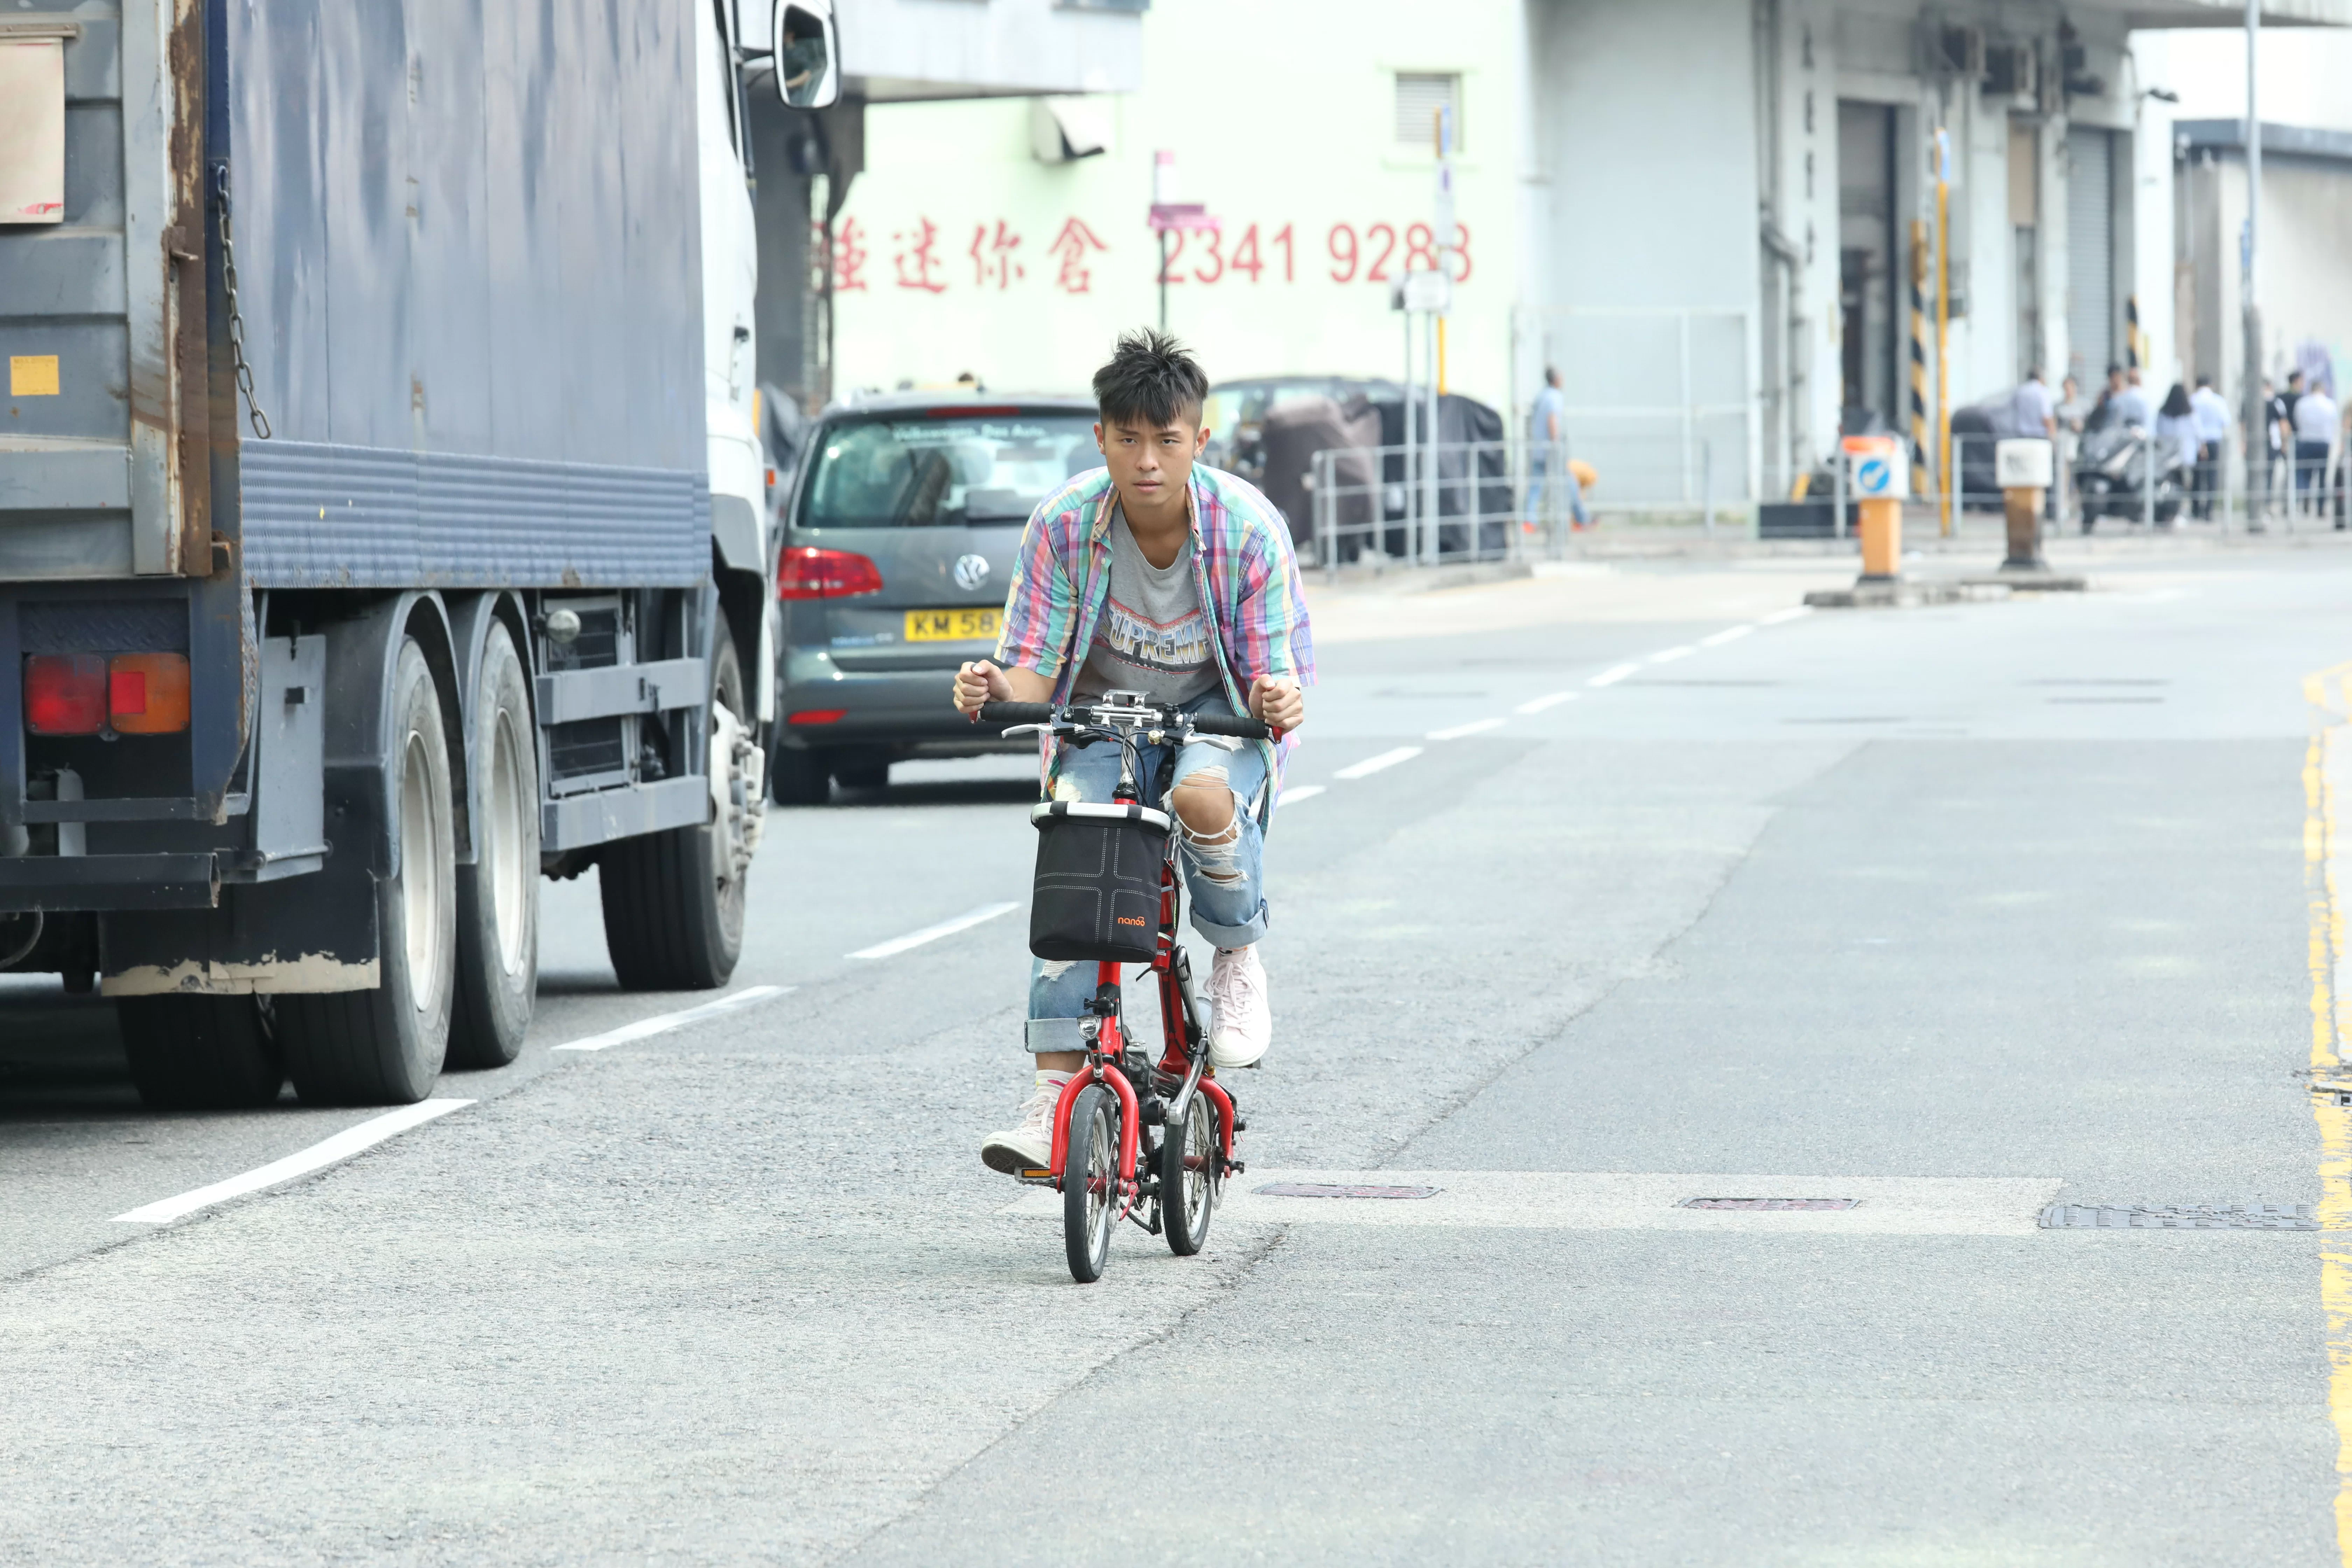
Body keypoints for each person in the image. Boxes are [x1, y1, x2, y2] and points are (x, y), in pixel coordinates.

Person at [953, 329, 1311, 1176]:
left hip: (1218, 713)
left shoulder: (1249, 531)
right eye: (1128, 439)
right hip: (1106, 718)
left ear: (1200, 441)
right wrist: (993, 687)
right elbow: (1035, 671)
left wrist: (1277, 699)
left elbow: (1271, 678)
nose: (1147, 460)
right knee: (1076, 837)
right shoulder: (1066, 525)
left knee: (1198, 798)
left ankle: (1235, 954)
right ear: (1102, 438)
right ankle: (1052, 1094)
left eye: (1167, 440)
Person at [1525, 367, 1586, 531]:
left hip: (1538, 449)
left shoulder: (1542, 396)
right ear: (1556, 379)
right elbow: (1552, 419)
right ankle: (1581, 518)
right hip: (1550, 451)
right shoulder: (1555, 397)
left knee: (1535, 486)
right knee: (1569, 482)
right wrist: (1556, 443)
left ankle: (1530, 521)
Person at [2153, 383, 2199, 526]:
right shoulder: (2190, 413)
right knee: (2184, 486)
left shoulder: (2163, 413)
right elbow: (2198, 433)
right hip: (2186, 457)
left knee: (2167, 486)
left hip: (2166, 457)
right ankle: (2179, 513)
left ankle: (2168, 513)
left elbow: (2157, 433)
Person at [2294, 376, 2339, 512]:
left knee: (2305, 473)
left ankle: (2306, 498)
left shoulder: (2303, 403)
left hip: (2306, 440)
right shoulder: (2329, 404)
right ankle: (2321, 507)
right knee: (2322, 475)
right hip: (2323, 442)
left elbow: (2298, 420)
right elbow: (2334, 422)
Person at [2189, 374, 2230, 520]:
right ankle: (2209, 510)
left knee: (2198, 477)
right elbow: (2226, 421)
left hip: (2197, 443)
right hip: (2214, 440)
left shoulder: (2193, 400)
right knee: (2212, 476)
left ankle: (2195, 509)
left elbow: (2190, 422)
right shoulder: (2218, 401)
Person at [2009, 368, 2057, 440]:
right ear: (2041, 377)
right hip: (2039, 437)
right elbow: (2047, 417)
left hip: (2021, 436)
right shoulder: (2043, 392)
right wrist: (2053, 436)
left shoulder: (2020, 392)